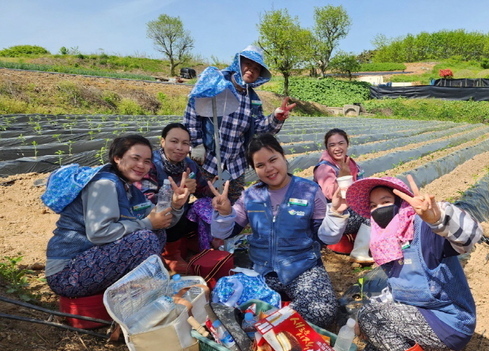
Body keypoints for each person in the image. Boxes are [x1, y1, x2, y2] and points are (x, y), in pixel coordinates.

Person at [345, 175, 483, 351]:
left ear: (401, 203)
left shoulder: (424, 230)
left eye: (386, 201)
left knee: (371, 319)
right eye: (373, 206)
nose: (379, 209)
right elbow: (397, 289)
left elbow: (471, 237)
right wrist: (365, 317)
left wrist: (437, 218)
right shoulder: (389, 242)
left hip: (449, 322)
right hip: (421, 317)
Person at [209, 133, 348, 329]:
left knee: (322, 310)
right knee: (222, 300)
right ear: (255, 169)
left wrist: (336, 214)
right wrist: (224, 213)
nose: (269, 169)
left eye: (273, 159)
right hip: (262, 271)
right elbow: (226, 233)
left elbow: (323, 237)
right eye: (260, 165)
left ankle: (266, 321)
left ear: (283, 156)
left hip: (303, 268)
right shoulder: (251, 195)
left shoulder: (308, 190)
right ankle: (277, 320)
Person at [45, 135, 190, 298]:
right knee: (144, 238)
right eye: (136, 158)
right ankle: (142, 293)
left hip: (92, 261)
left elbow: (161, 221)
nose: (141, 165)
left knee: (157, 233)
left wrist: (176, 205)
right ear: (117, 158)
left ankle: (139, 291)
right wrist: (147, 224)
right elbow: (98, 233)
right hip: (67, 272)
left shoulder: (131, 190)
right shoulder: (104, 185)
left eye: (147, 161)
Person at [183, 45, 296, 204]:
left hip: (234, 164)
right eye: (248, 64)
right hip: (209, 159)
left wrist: (276, 118)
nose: (251, 70)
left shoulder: (253, 99)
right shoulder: (218, 82)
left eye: (256, 68)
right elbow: (193, 108)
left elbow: (258, 129)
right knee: (208, 199)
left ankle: (229, 226)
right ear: (239, 63)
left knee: (234, 203)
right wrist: (196, 144)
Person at [136, 123, 215, 273]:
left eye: (185, 143)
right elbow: (145, 199)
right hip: (154, 216)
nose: (179, 147)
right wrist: (176, 194)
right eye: (174, 141)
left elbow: (202, 190)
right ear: (163, 141)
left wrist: (214, 190)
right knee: (172, 210)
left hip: (180, 213)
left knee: (206, 205)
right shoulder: (151, 164)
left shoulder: (189, 165)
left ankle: (194, 241)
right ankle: (170, 255)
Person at [313, 128, 372, 263]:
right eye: (332, 145)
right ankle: (359, 252)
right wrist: (342, 178)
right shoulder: (325, 168)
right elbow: (329, 193)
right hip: (331, 216)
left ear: (347, 144)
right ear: (327, 148)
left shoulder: (350, 163)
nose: (337, 148)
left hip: (348, 209)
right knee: (372, 213)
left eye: (341, 143)